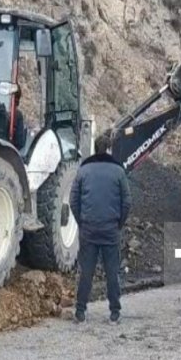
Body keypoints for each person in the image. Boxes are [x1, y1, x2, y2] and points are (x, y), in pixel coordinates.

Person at [70, 129, 131, 325]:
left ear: (95, 150)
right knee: (112, 271)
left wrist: (82, 221)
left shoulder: (83, 171)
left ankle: (80, 311)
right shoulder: (119, 172)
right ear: (109, 150)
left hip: (89, 228)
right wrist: (118, 223)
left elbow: (73, 200)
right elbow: (127, 202)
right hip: (110, 229)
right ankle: (114, 313)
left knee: (86, 271)